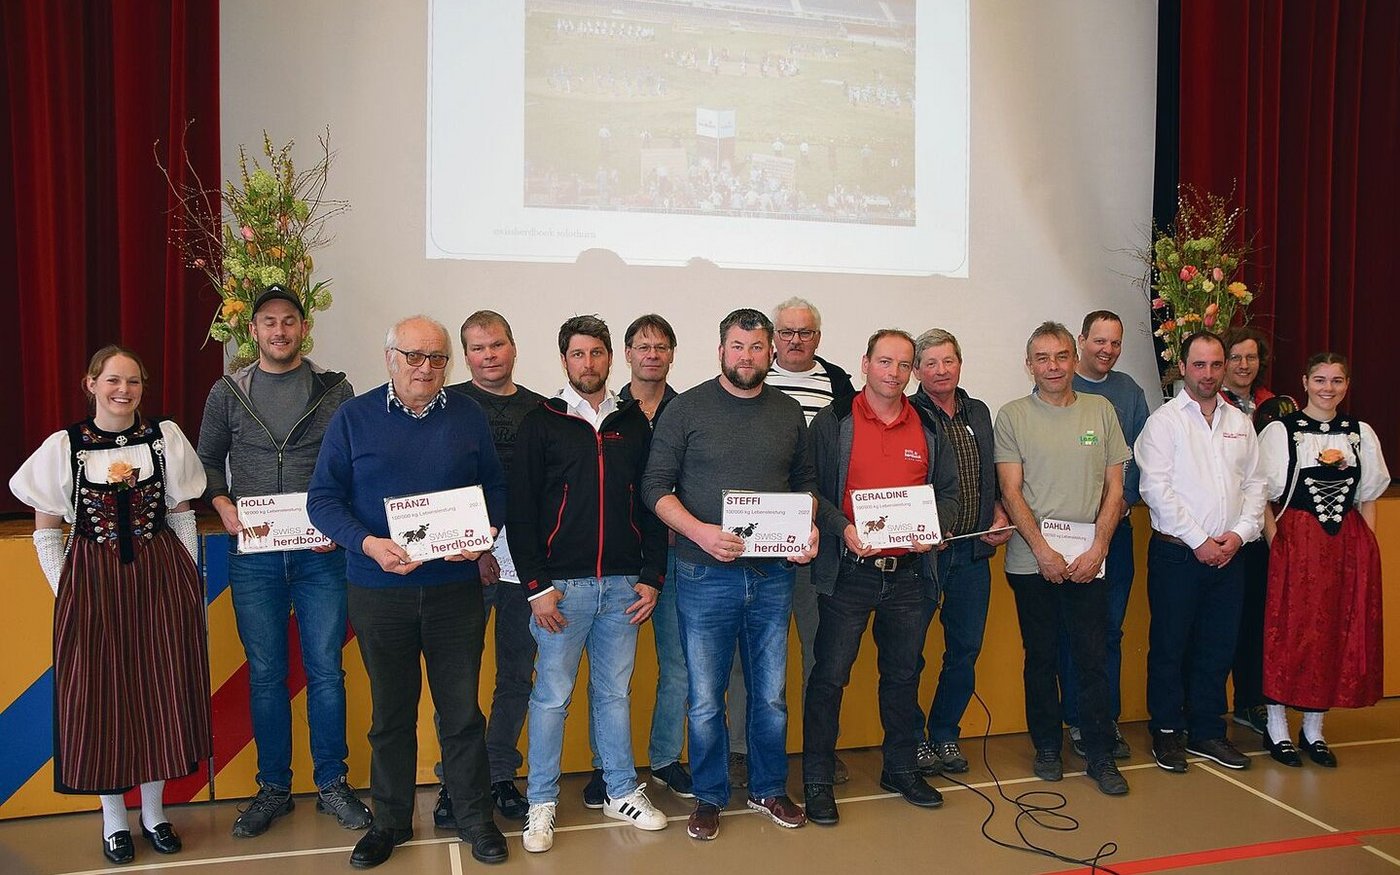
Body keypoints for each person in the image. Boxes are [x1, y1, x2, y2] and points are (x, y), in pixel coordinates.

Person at [307, 316, 509, 868]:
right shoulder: (353, 417)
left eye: (437, 358)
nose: (426, 367)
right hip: (378, 591)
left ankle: (474, 817)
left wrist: (483, 533)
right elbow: (322, 500)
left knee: (461, 713)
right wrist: (368, 543)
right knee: (391, 716)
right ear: (390, 358)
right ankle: (390, 822)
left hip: (454, 592)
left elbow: (494, 486)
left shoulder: (468, 414)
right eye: (415, 356)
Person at [10, 346, 210, 865]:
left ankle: (154, 814)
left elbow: (182, 514)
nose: (125, 390)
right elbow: (46, 531)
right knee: (102, 700)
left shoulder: (164, 439)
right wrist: (67, 592)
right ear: (91, 384)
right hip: (93, 585)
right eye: (114, 380)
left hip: (159, 580)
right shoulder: (65, 447)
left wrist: (187, 581)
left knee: (161, 692)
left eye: (134, 381)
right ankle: (114, 820)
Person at [195, 285, 370, 838]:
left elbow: (355, 466)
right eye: (268, 321)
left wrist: (341, 525)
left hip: (322, 556)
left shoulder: (335, 390)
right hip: (255, 557)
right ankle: (273, 787)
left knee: (326, 671)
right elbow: (207, 462)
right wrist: (222, 503)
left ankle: (332, 783)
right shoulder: (227, 391)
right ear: (253, 330)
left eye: (289, 321)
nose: (279, 330)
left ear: (303, 328)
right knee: (266, 674)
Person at [641, 307, 818, 841]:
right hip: (703, 575)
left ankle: (768, 788)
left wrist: (807, 529)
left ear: (771, 352)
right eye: (737, 346)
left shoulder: (788, 411)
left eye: (757, 347)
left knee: (770, 696)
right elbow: (655, 487)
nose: (747, 356)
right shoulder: (686, 409)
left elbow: (806, 483)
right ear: (721, 350)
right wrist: (699, 532)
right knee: (703, 698)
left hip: (773, 575)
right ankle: (710, 795)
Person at [512, 316, 670, 853]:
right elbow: (521, 510)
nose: (588, 363)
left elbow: (651, 502)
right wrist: (537, 586)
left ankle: (620, 790)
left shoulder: (633, 423)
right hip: (561, 591)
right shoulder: (542, 422)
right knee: (551, 697)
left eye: (596, 353)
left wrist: (651, 576)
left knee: (614, 694)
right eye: (577, 354)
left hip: (623, 587)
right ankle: (540, 802)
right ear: (564, 360)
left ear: (610, 358)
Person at [802, 330, 958, 825]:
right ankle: (817, 779)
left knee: (903, 675)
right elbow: (809, 486)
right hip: (849, 574)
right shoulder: (835, 420)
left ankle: (901, 769)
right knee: (829, 677)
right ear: (865, 363)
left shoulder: (928, 424)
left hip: (909, 576)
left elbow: (949, 492)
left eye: (904, 364)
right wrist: (841, 528)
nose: (894, 372)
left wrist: (935, 528)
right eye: (885, 361)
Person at [993, 321, 1130, 796]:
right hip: (1033, 563)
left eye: (1061, 356)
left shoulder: (1101, 411)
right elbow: (1010, 490)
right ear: (1029, 365)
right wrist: (1043, 551)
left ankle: (1099, 754)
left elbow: (1115, 488)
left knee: (1093, 659)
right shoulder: (1012, 416)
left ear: (1074, 359)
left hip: (1090, 561)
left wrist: (1100, 548)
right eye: (1042, 358)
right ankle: (1047, 747)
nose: (1053, 366)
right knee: (1041, 658)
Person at [732, 295, 854, 787]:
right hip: (754, 545)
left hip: (816, 544)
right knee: (749, 656)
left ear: (818, 337)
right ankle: (742, 750)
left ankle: (818, 749)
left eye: (805, 332)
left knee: (819, 652)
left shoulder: (840, 388)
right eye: (786, 332)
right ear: (771, 339)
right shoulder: (750, 382)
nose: (795, 340)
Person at [432, 310, 545, 827]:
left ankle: (499, 773)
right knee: (457, 679)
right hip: (459, 563)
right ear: (465, 356)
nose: (489, 355)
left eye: (496, 344)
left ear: (513, 346)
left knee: (516, 675)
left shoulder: (543, 409)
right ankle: (457, 782)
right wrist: (477, 550)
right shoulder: (445, 406)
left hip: (526, 566)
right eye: (477, 348)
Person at [1135, 330, 1265, 773]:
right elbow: (1156, 490)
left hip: (1230, 555)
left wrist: (1239, 535)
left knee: (1217, 647)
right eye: (1199, 365)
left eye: (1215, 365)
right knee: (1170, 647)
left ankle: (1208, 731)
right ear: (1183, 368)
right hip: (1177, 556)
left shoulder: (1240, 422)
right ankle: (1167, 731)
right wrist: (1200, 541)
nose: (1208, 374)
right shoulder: (1164, 422)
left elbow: (1256, 485)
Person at [1257, 352, 1389, 768]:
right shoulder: (1283, 431)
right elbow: (1261, 495)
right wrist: (1277, 542)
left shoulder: (1359, 434)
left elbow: (1368, 496)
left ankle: (1314, 729)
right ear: (1305, 382)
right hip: (1297, 540)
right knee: (1289, 630)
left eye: (1336, 381)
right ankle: (1276, 726)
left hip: (1343, 545)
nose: (1327, 388)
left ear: (1346, 385)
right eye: (1319, 380)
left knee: (1332, 630)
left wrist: (1365, 545)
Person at [909, 329, 1013, 776]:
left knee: (964, 650)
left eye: (948, 360)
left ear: (960, 363)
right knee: (909, 654)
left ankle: (945, 732)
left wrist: (998, 509)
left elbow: (990, 472)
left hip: (973, 552)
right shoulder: (908, 413)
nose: (941, 370)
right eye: (930, 363)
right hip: (924, 557)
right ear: (917, 371)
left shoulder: (979, 411)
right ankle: (913, 739)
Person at [1062, 311, 1149, 759]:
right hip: (1068, 534)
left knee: (1110, 630)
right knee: (1072, 632)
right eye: (1099, 341)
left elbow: (1143, 458)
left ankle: (1105, 719)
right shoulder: (1059, 385)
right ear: (1082, 341)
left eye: (1115, 343)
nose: (1107, 351)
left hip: (1116, 531)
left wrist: (1120, 506)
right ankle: (1078, 719)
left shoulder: (1129, 392)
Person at [615, 314, 693, 800]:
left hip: (677, 557)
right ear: (627, 353)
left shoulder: (689, 412)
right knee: (612, 677)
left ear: (672, 355)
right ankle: (609, 768)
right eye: (642, 346)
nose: (651, 354)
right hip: (619, 561)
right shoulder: (604, 411)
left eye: (661, 347)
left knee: (678, 666)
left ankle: (665, 759)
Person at [1218, 325, 1276, 735]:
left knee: (1256, 620)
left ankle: (1250, 701)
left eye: (1250, 357)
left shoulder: (1277, 407)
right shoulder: (1208, 405)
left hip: (1260, 530)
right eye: (1235, 357)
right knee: (1218, 624)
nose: (1243, 365)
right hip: (1219, 532)